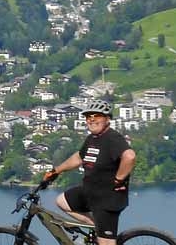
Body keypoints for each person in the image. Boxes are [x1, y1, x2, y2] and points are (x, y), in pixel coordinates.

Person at [43, 100, 136, 245]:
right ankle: (96, 226)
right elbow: (79, 157)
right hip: (90, 192)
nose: (92, 119)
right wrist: (55, 171)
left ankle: (102, 231)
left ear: (107, 119)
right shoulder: (92, 138)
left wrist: (119, 179)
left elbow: (129, 157)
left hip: (107, 200)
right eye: (88, 116)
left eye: (97, 116)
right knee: (62, 201)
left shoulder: (112, 138)